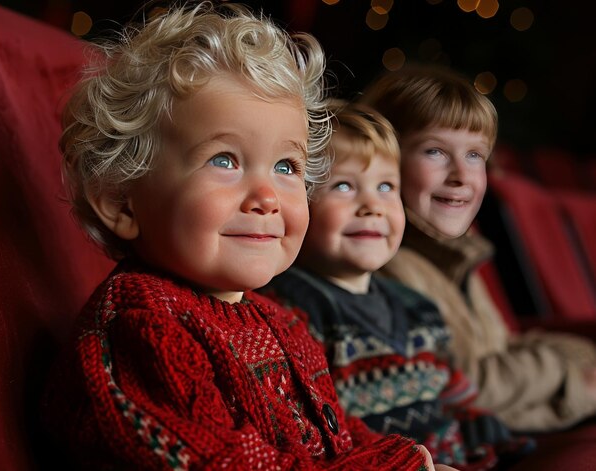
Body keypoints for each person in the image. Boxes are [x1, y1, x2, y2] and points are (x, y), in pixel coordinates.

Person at [40, 4, 457, 470]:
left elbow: (334, 437)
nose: (267, 196)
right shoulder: (143, 326)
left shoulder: (281, 324)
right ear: (121, 201)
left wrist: (416, 459)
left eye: (286, 167)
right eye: (224, 160)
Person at [261, 100, 533, 470]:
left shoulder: (417, 305)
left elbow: (449, 387)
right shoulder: (291, 310)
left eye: (386, 186)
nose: (372, 205)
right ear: (301, 202)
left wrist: (481, 425)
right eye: (344, 185)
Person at [359, 64, 596, 432]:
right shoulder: (392, 269)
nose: (460, 175)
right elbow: (463, 392)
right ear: (383, 162)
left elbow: (502, 348)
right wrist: (572, 382)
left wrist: (579, 358)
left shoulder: (456, 255)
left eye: (475, 155)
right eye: (435, 151)